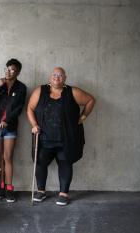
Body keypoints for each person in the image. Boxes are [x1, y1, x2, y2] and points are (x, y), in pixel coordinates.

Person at [27, 67, 95, 206]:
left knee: (65, 162)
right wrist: (34, 125)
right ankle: (41, 191)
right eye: (54, 74)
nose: (57, 77)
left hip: (66, 139)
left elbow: (90, 100)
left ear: (65, 78)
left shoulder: (73, 92)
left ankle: (63, 193)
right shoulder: (40, 91)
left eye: (60, 75)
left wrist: (83, 116)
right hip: (44, 138)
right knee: (40, 162)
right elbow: (30, 108)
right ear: (50, 77)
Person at [0, 58, 27, 203]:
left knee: (8, 157)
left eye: (12, 70)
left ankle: (10, 188)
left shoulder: (21, 87)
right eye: (7, 69)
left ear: (18, 72)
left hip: (10, 127)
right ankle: (1, 187)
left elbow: (19, 108)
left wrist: (6, 120)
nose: (8, 72)